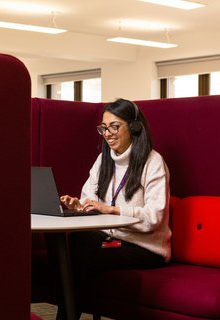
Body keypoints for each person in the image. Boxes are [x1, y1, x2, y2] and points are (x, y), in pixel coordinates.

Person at [60, 98, 171, 313]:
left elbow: (154, 217)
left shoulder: (153, 162)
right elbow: (88, 198)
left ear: (134, 127)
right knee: (76, 241)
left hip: (144, 247)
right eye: (103, 128)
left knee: (83, 257)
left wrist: (111, 210)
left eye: (114, 126)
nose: (108, 133)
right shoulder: (104, 160)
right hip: (112, 240)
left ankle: (66, 315)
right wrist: (78, 206)